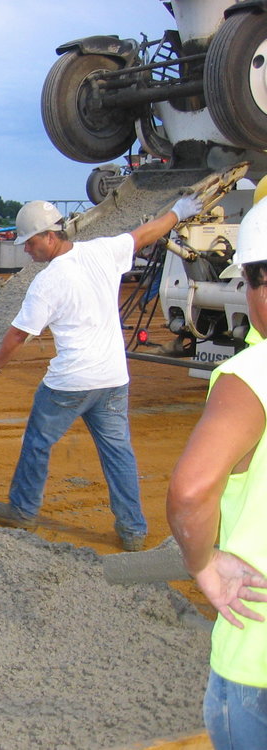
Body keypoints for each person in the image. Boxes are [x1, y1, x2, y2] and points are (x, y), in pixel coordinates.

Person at [0, 194, 203, 551]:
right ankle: (133, 529)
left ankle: (23, 509)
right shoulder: (102, 251)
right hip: (112, 378)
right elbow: (144, 234)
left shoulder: (47, 282)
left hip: (70, 383)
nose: (26, 250)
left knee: (37, 442)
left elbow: (19, 333)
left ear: (50, 236)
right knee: (118, 453)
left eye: (29, 243)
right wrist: (178, 212)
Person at [166, 200, 267, 749]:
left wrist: (202, 562)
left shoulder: (251, 376)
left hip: (259, 659)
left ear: (255, 283)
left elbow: (192, 489)